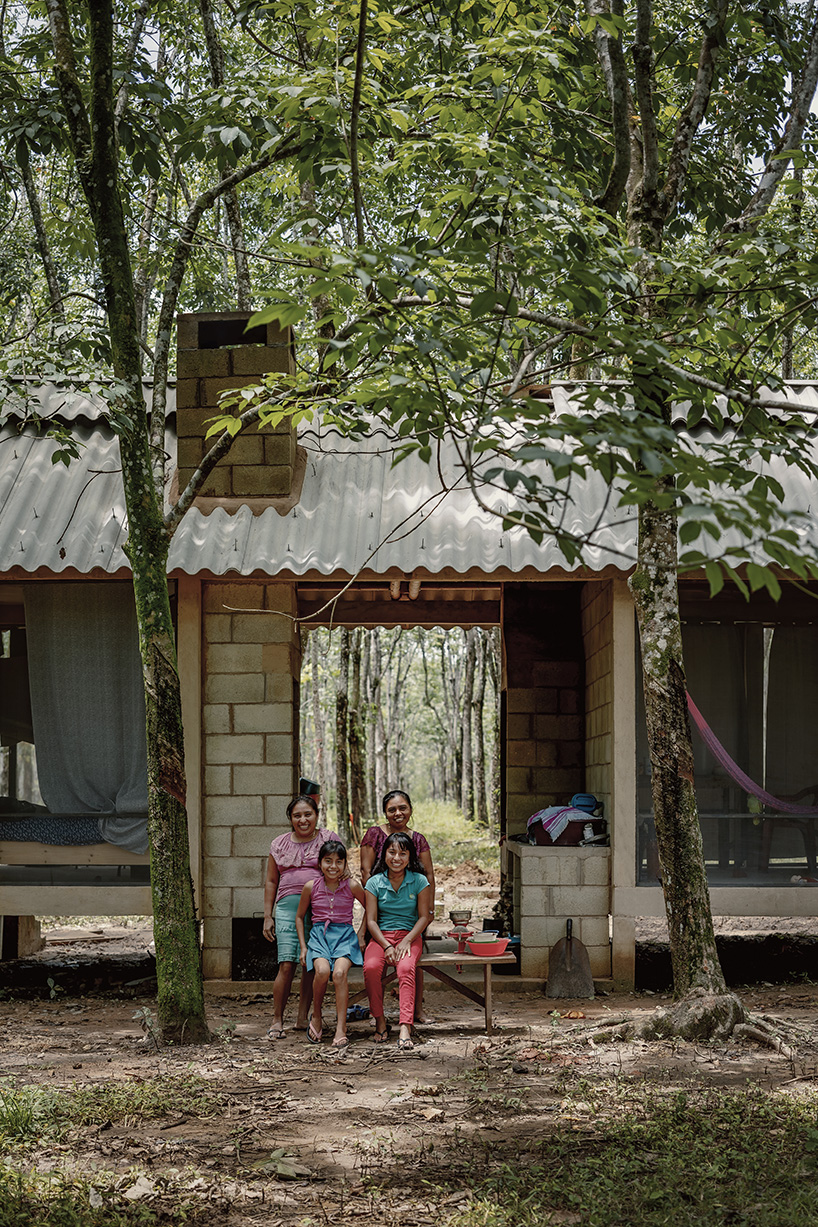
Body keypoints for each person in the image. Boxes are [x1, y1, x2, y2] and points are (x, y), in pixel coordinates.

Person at [262, 794, 338, 1038]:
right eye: (297, 815)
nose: (303, 819)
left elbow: (340, 870)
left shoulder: (328, 838)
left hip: (320, 908)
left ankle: (303, 1018)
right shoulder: (279, 844)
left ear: (316, 815)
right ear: (290, 819)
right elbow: (272, 880)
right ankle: (277, 1019)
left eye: (308, 814)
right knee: (287, 964)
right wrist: (267, 915)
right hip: (288, 907)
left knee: (312, 964)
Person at [360, 789, 436, 1023]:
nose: (398, 813)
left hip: (411, 906)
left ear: (410, 809)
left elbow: (429, 873)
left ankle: (416, 1011)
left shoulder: (417, 838)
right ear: (385, 812)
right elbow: (365, 869)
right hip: (380, 902)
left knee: (411, 961)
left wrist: (428, 912)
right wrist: (378, 893)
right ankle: (377, 1013)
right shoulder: (374, 834)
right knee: (377, 962)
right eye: (392, 809)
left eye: (403, 808)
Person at [363, 831, 432, 1052]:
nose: (396, 858)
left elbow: (424, 916)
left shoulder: (419, 880)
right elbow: (371, 921)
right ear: (384, 854)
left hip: (409, 936)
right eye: (392, 852)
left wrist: (406, 941)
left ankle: (405, 1025)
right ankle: (380, 1021)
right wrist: (386, 945)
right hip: (381, 937)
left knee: (405, 969)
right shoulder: (374, 882)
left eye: (403, 853)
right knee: (371, 968)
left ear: (410, 856)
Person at [295, 839, 366, 1048]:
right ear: (319, 863)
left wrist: (361, 934)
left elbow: (370, 908)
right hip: (319, 937)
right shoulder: (311, 887)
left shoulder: (352, 886)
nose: (333, 866)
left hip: (344, 936)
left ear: (345, 864)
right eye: (328, 861)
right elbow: (300, 917)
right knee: (323, 971)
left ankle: (341, 1027)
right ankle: (316, 1016)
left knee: (339, 974)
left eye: (338, 862)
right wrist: (303, 946)